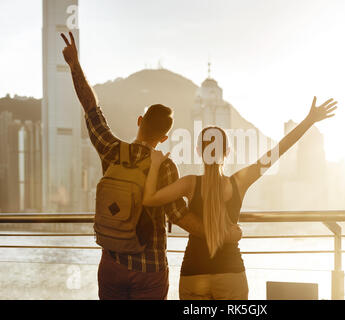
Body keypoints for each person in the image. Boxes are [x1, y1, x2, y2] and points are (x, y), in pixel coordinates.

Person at [60, 31, 241, 300]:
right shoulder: (166, 168)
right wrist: (223, 235)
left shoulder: (111, 150)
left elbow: (91, 109)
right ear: (165, 137)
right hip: (150, 269)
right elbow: (181, 217)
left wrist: (74, 65)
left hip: (111, 264)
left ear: (139, 121)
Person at [143, 96, 338, 299]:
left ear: (199, 151)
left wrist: (155, 164)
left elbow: (149, 199)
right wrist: (309, 120)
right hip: (231, 274)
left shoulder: (189, 183)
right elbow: (278, 150)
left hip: (194, 273)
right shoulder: (239, 182)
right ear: (227, 152)